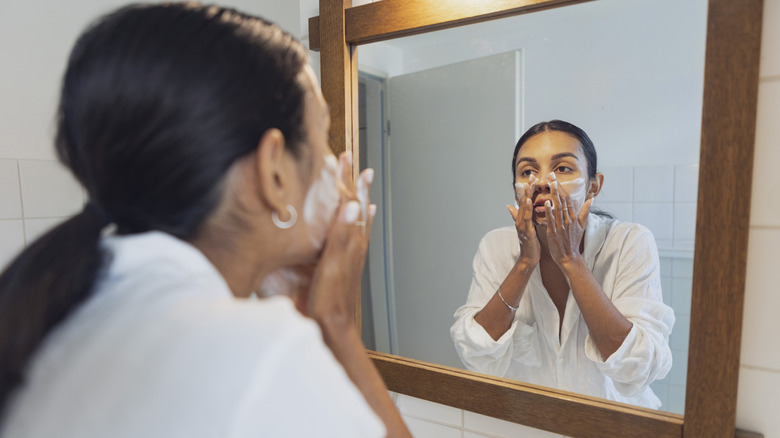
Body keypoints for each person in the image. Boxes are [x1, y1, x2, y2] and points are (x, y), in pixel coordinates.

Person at [0, 4, 411, 437]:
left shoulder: (60, 309)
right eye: (322, 137)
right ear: (274, 173)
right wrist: (337, 323)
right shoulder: (258, 350)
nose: (336, 165)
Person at [450, 120, 674, 409]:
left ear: (593, 186)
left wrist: (571, 259)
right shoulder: (495, 247)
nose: (542, 182)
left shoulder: (628, 242)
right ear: (516, 188)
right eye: (528, 171)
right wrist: (524, 263)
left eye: (562, 168)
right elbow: (476, 355)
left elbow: (639, 368)